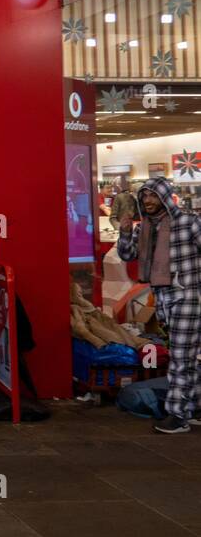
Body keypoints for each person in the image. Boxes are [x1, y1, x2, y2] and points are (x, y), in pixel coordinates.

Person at [118, 177, 201, 434]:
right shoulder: (143, 226)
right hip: (163, 297)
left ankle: (178, 416)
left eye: (153, 196)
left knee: (180, 357)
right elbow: (127, 255)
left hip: (188, 296)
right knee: (187, 356)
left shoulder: (188, 222)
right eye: (144, 196)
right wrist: (123, 231)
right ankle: (193, 406)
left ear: (165, 197)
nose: (148, 201)